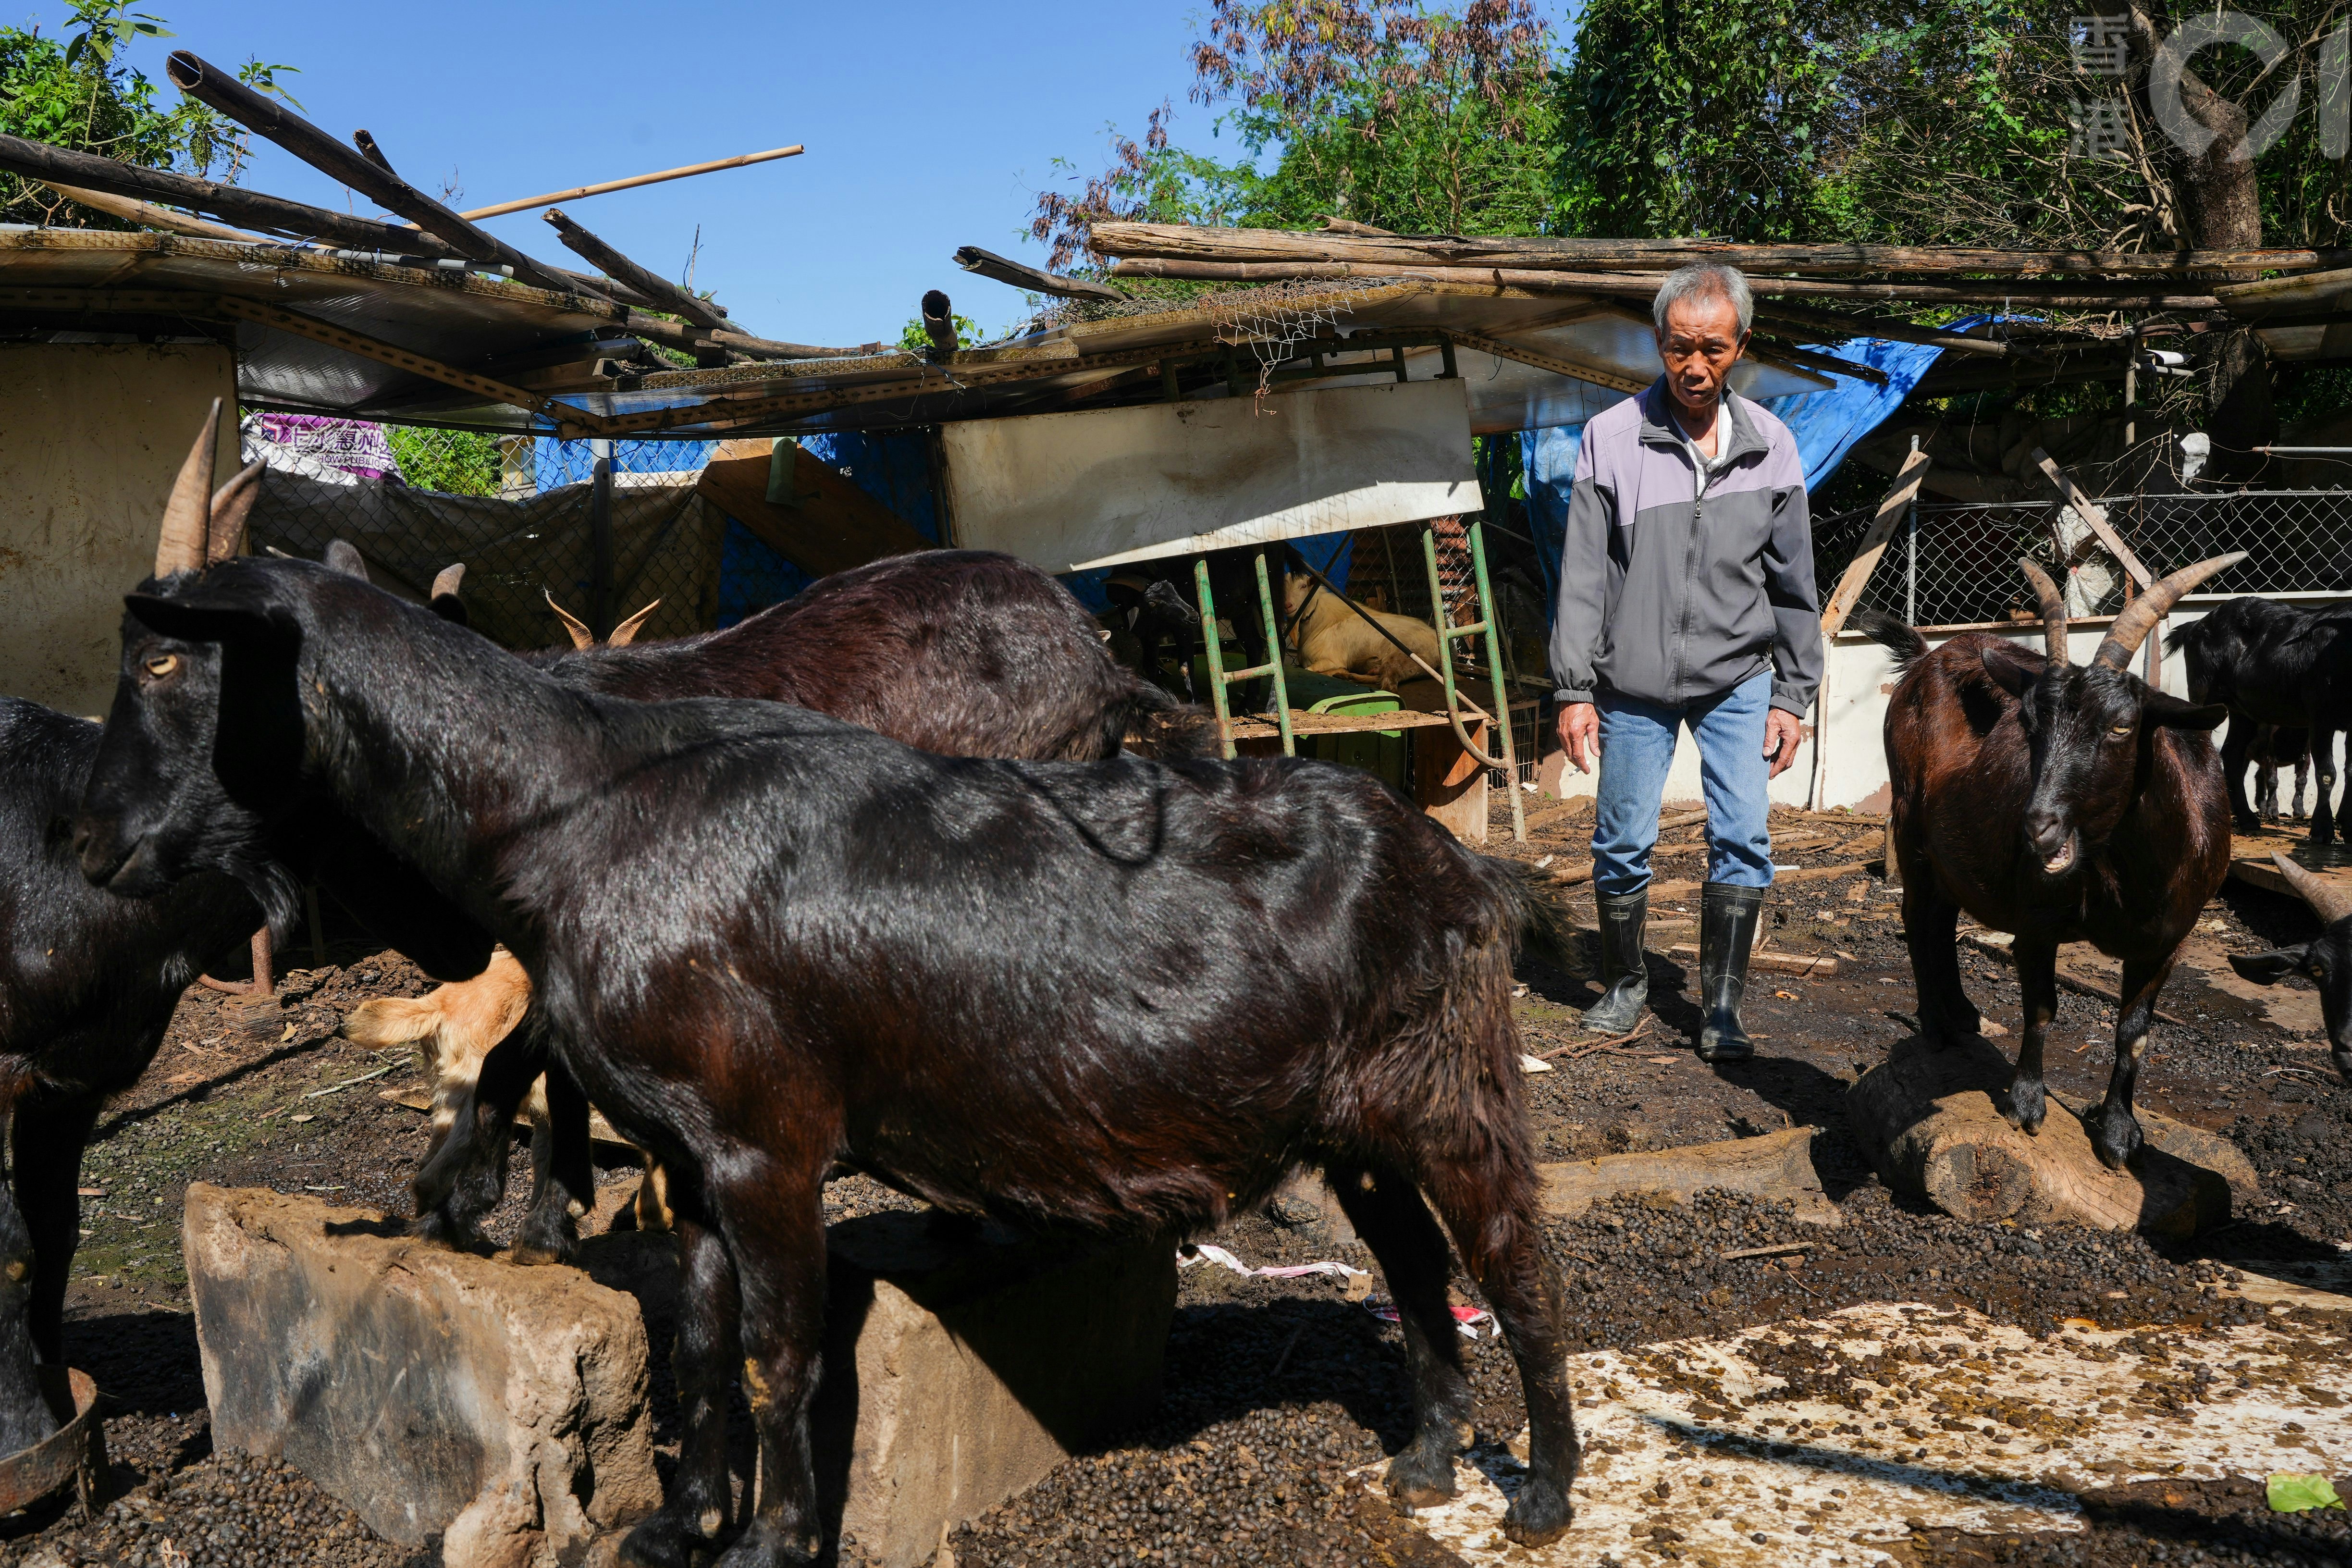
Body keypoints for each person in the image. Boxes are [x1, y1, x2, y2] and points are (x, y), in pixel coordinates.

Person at [1548, 261, 1821, 1062]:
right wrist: (1573, 689)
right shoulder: (1611, 438)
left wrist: (1794, 694)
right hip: (1631, 683)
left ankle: (1723, 1008)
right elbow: (1584, 576)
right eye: (1677, 349)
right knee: (1621, 837)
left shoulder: (1772, 445)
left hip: (1740, 677)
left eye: (1712, 349)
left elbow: (1795, 583)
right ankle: (1626, 985)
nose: (1694, 367)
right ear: (1658, 344)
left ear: (1740, 346)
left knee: (1743, 837)